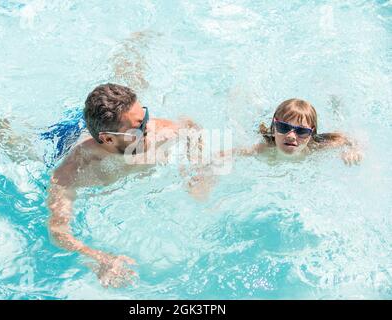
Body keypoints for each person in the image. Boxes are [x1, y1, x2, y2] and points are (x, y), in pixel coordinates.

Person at [47, 83, 208, 289]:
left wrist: (195, 168)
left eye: (145, 118)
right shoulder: (72, 172)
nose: (149, 127)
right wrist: (98, 258)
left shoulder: (157, 131)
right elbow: (58, 232)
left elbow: (192, 128)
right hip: (64, 138)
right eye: (139, 127)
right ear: (108, 139)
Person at [224, 98, 363, 165]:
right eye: (283, 127)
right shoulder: (266, 147)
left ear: (311, 133)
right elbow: (230, 153)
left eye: (301, 131)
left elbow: (352, 139)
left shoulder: (315, 146)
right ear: (274, 127)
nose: (291, 136)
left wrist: (354, 149)